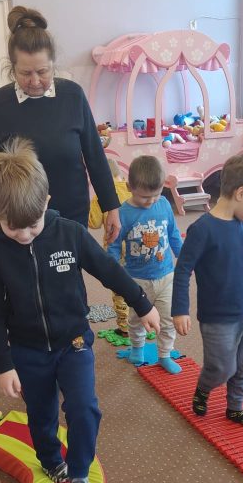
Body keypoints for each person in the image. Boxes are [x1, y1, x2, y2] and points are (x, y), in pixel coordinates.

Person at [0, 137, 158, 483]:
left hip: (73, 342)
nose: (24, 235)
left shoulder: (69, 233)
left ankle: (79, 472)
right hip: (27, 351)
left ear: (46, 202)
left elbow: (108, 270)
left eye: (32, 225)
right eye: (12, 228)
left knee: (83, 408)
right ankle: (50, 459)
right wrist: (3, 364)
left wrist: (142, 303)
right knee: (41, 414)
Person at [0, 6, 121, 243]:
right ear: (12, 68)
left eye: (42, 71)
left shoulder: (73, 96)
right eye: (25, 73)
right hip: (18, 219)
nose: (35, 81)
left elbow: (95, 156)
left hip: (71, 212)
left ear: (53, 64)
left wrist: (111, 207)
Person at [171, 152, 243, 429]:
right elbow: (183, 271)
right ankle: (204, 387)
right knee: (222, 368)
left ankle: (235, 408)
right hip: (218, 319)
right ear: (241, 193)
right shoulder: (202, 229)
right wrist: (180, 310)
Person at [106, 155, 183, 373]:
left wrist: (185, 260)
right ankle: (137, 348)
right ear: (129, 187)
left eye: (156, 195)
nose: (151, 201)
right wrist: (113, 274)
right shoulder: (123, 213)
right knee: (136, 318)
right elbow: (113, 246)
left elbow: (174, 234)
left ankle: (165, 354)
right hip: (137, 279)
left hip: (166, 275)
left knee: (168, 319)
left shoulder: (164, 204)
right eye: (144, 197)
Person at [90, 158, 133, 337]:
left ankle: (125, 327)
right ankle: (141, 317)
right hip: (135, 244)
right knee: (138, 281)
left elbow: (93, 222)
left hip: (115, 248)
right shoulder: (131, 188)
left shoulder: (100, 196)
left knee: (119, 285)